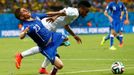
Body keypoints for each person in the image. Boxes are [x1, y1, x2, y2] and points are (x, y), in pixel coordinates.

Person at [38, 0, 91, 74]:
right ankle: (21, 55)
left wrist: (74, 35)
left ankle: (45, 69)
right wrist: (54, 17)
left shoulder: (75, 13)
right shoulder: (75, 12)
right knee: (62, 40)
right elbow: (62, 13)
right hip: (48, 25)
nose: (86, 14)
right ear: (82, 8)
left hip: (51, 27)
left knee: (52, 48)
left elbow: (66, 25)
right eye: (86, 11)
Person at [14, 7, 68, 75]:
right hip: (46, 47)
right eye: (24, 11)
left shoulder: (34, 16)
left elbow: (47, 14)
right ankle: (51, 70)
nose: (26, 10)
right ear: (21, 17)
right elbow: (21, 36)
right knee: (60, 66)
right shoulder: (27, 26)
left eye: (25, 9)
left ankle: (56, 48)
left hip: (53, 36)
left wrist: (59, 13)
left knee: (66, 38)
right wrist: (24, 32)